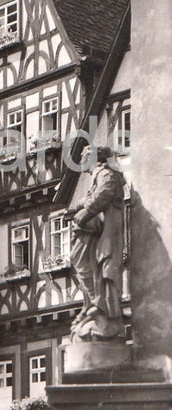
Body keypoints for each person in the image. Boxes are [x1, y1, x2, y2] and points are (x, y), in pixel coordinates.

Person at [70, 145, 126, 340]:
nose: (81, 161)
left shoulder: (106, 173)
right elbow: (92, 196)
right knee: (84, 262)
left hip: (105, 231)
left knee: (96, 264)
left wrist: (86, 211)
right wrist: (82, 205)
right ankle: (95, 303)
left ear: (93, 158)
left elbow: (105, 192)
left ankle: (101, 306)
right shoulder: (98, 176)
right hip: (96, 230)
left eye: (84, 157)